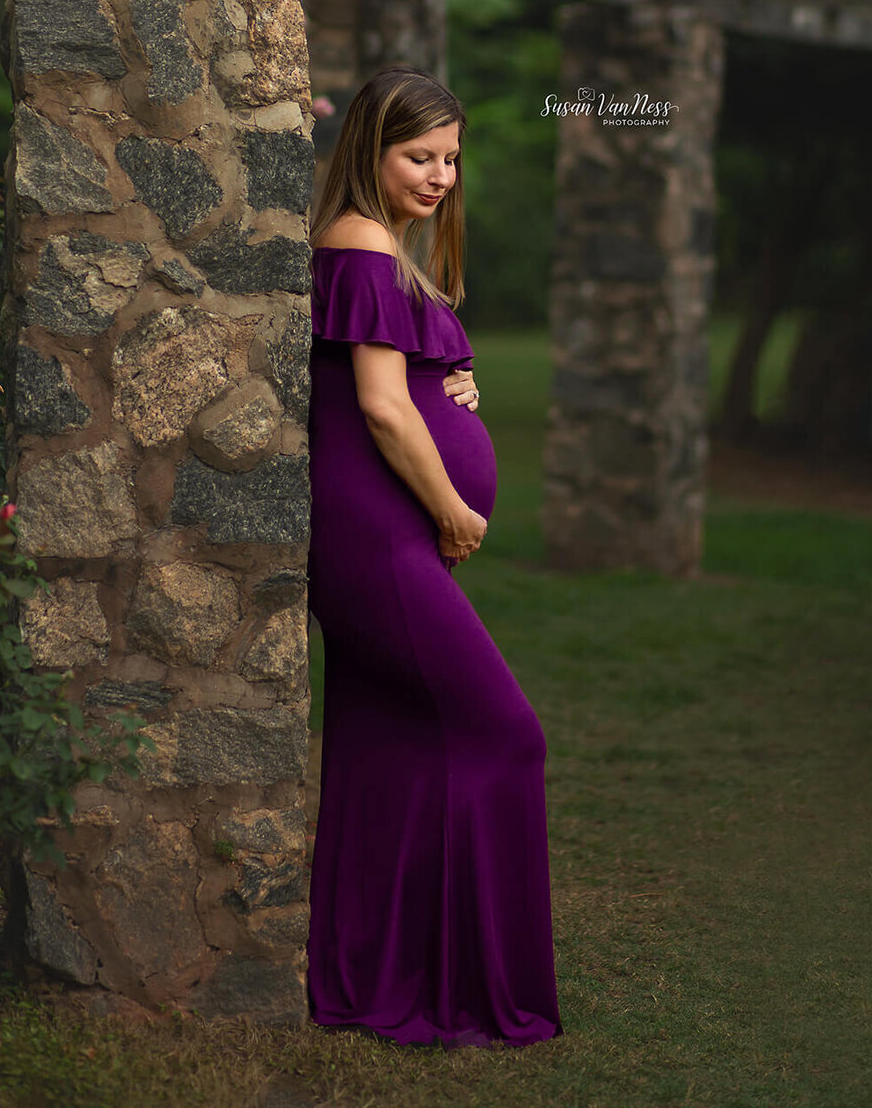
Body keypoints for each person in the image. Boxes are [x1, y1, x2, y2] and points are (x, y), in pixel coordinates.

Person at [305, 65, 563, 1048]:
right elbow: (376, 407)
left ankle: (380, 973)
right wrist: (455, 508)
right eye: (420, 156)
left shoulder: (377, 253)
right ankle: (461, 986)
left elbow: (399, 384)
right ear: (369, 150)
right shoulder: (366, 247)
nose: (441, 175)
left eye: (452, 158)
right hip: (384, 537)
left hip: (380, 531)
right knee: (507, 736)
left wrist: (454, 395)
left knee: (389, 749)